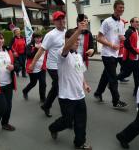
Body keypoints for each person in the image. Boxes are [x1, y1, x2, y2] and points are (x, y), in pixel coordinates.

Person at [48, 22, 92, 150]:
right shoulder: (62, 54)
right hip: (66, 96)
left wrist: (85, 84)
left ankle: (79, 143)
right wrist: (78, 30)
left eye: (79, 40)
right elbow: (67, 47)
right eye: (75, 39)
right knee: (67, 122)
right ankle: (53, 128)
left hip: (79, 95)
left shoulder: (78, 56)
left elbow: (80, 72)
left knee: (81, 122)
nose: (78, 42)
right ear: (67, 39)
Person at [29, 11, 66, 117]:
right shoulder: (50, 35)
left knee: (56, 87)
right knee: (61, 87)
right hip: (53, 66)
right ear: (54, 22)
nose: (61, 21)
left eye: (62, 18)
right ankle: (66, 115)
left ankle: (46, 105)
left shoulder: (67, 32)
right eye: (58, 19)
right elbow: (41, 50)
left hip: (63, 65)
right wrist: (33, 64)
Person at [94, 0, 127, 108]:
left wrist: (123, 38)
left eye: (123, 7)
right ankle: (116, 101)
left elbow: (120, 36)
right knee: (113, 77)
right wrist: (111, 45)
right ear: (114, 8)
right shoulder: (107, 21)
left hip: (116, 54)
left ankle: (98, 92)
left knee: (106, 75)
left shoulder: (122, 23)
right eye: (119, 7)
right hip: (107, 54)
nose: (121, 9)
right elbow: (99, 38)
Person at [117, 17, 139, 96]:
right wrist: (137, 51)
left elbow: (134, 44)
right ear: (131, 23)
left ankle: (136, 92)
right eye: (136, 22)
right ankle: (112, 80)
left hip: (136, 58)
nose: (138, 23)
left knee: (137, 75)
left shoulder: (136, 31)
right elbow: (127, 44)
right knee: (126, 74)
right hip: (130, 58)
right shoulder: (129, 31)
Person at [23, 32, 47, 102]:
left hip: (42, 67)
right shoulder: (29, 45)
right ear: (34, 38)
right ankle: (25, 91)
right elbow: (29, 55)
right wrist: (36, 49)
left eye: (40, 37)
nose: (38, 39)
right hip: (32, 67)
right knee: (33, 83)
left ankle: (42, 98)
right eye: (37, 38)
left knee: (43, 83)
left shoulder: (44, 44)